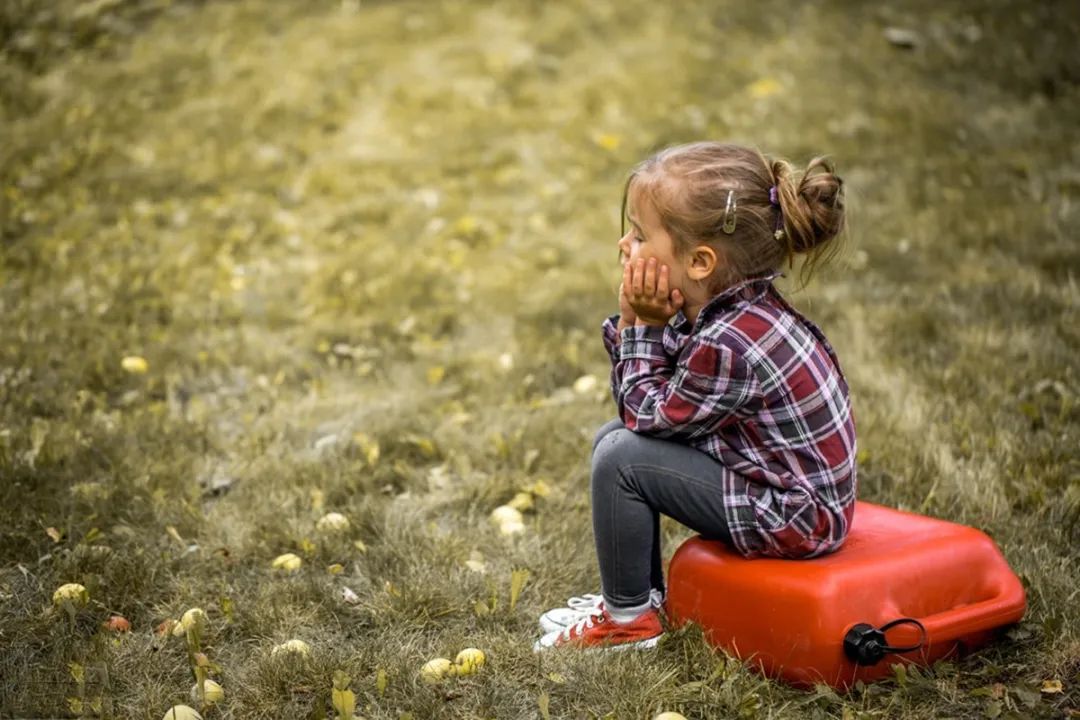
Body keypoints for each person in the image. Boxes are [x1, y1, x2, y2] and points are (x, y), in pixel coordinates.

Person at [534, 141, 857, 651]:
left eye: (640, 236)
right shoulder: (731, 312)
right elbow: (650, 414)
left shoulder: (727, 342)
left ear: (700, 262)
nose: (624, 244)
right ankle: (639, 599)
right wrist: (642, 323)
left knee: (621, 458)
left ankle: (628, 623)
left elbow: (646, 414)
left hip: (797, 516)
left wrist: (639, 325)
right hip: (786, 490)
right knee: (612, 439)